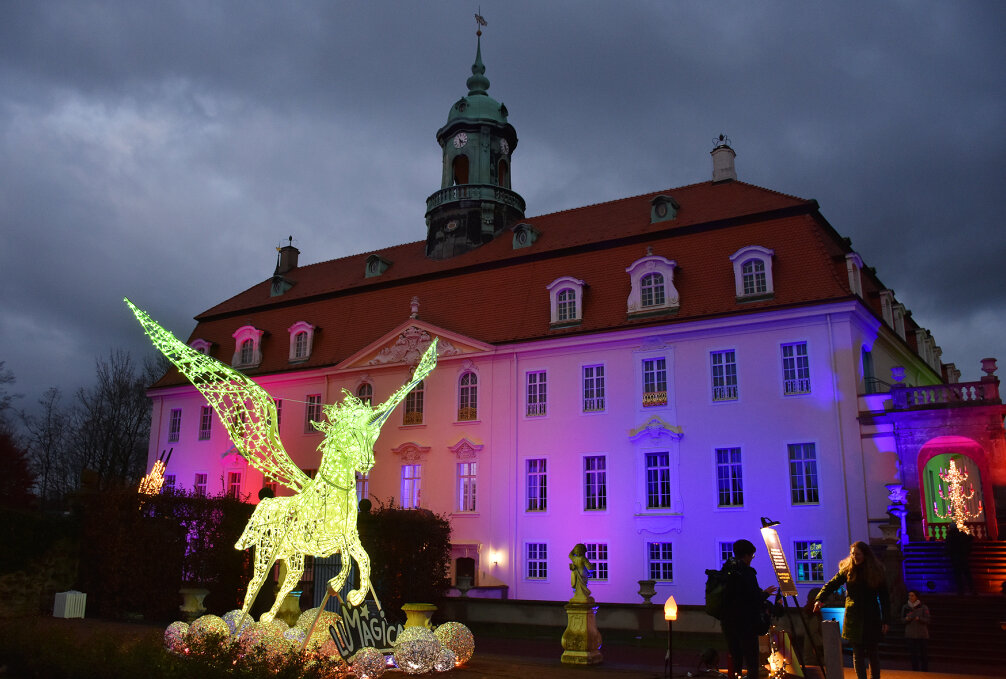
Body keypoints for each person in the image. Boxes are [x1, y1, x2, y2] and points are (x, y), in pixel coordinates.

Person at [813, 541, 890, 679]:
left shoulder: (876, 571)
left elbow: (884, 598)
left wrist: (886, 620)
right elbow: (832, 584)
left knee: (873, 652)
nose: (855, 557)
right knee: (858, 653)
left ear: (865, 555)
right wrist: (820, 598)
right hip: (854, 616)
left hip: (871, 616)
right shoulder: (848, 569)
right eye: (853, 554)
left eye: (858, 554)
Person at [722, 539, 778, 679]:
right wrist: (764, 594)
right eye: (752, 556)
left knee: (736, 659)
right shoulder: (747, 572)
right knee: (752, 660)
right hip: (746, 623)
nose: (752, 559)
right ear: (746, 555)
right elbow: (752, 598)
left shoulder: (727, 570)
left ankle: (737, 676)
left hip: (728, 622)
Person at [900, 590, 930, 671]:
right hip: (910, 634)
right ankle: (915, 671)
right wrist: (906, 619)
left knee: (924, 654)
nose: (910, 597)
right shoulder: (905, 607)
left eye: (912, 595)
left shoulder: (923, 607)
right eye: (909, 595)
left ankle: (925, 671)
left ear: (916, 596)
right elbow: (902, 620)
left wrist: (919, 619)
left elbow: (928, 619)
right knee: (913, 655)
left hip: (922, 634)